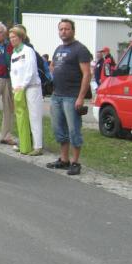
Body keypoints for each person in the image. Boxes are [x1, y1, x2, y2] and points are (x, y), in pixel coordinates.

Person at [47, 19, 92, 175]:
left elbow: (87, 74)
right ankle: (64, 159)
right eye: (61, 29)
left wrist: (81, 97)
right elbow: (52, 66)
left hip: (72, 96)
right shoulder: (59, 49)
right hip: (57, 95)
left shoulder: (80, 49)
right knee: (58, 129)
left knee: (74, 130)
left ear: (73, 30)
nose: (63, 31)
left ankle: (75, 162)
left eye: (66, 29)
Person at [8, 26, 43, 156]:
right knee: (21, 116)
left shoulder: (28, 50)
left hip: (32, 87)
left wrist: (23, 85)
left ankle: (38, 146)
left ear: (21, 37)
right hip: (19, 89)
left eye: (14, 37)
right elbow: (13, 72)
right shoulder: (14, 54)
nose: (12, 40)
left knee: (34, 116)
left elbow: (31, 69)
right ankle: (25, 143)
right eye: (10, 38)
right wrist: (15, 86)